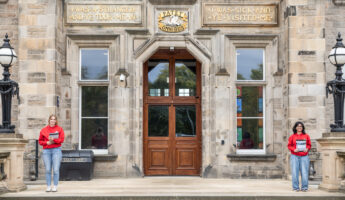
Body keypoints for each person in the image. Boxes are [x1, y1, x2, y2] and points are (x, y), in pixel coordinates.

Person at [38, 114, 65, 192]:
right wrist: (46, 142)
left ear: (56, 121)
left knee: (56, 169)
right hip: (46, 151)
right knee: (48, 169)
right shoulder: (44, 130)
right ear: (49, 120)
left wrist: (54, 139)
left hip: (56, 150)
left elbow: (61, 140)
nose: (52, 120)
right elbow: (40, 141)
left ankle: (55, 186)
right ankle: (48, 186)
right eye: (51, 119)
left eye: (54, 119)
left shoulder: (59, 129)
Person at [287, 121, 311, 192]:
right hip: (295, 156)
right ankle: (295, 187)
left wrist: (307, 148)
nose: (299, 127)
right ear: (295, 128)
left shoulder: (306, 136)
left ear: (302, 127)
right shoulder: (292, 136)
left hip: (304, 156)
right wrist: (294, 149)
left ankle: (304, 187)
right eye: (298, 126)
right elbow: (289, 146)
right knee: (295, 172)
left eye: (301, 126)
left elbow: (309, 145)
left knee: (304, 172)